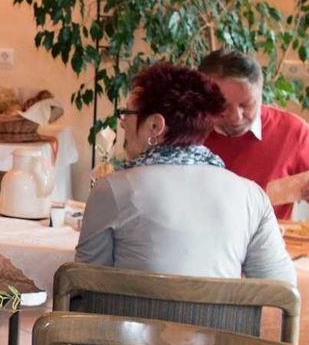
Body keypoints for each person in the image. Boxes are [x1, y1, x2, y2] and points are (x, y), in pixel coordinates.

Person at [74, 62, 295, 282]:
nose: (122, 123)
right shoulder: (251, 196)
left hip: (136, 308)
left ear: (155, 126)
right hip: (217, 308)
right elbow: (282, 288)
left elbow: (84, 285)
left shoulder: (113, 189)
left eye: (127, 113)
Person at [197, 48, 309, 220]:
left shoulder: (291, 131)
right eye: (223, 106)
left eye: (247, 105)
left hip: (268, 236)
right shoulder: (187, 130)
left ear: (260, 93)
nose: (237, 117)